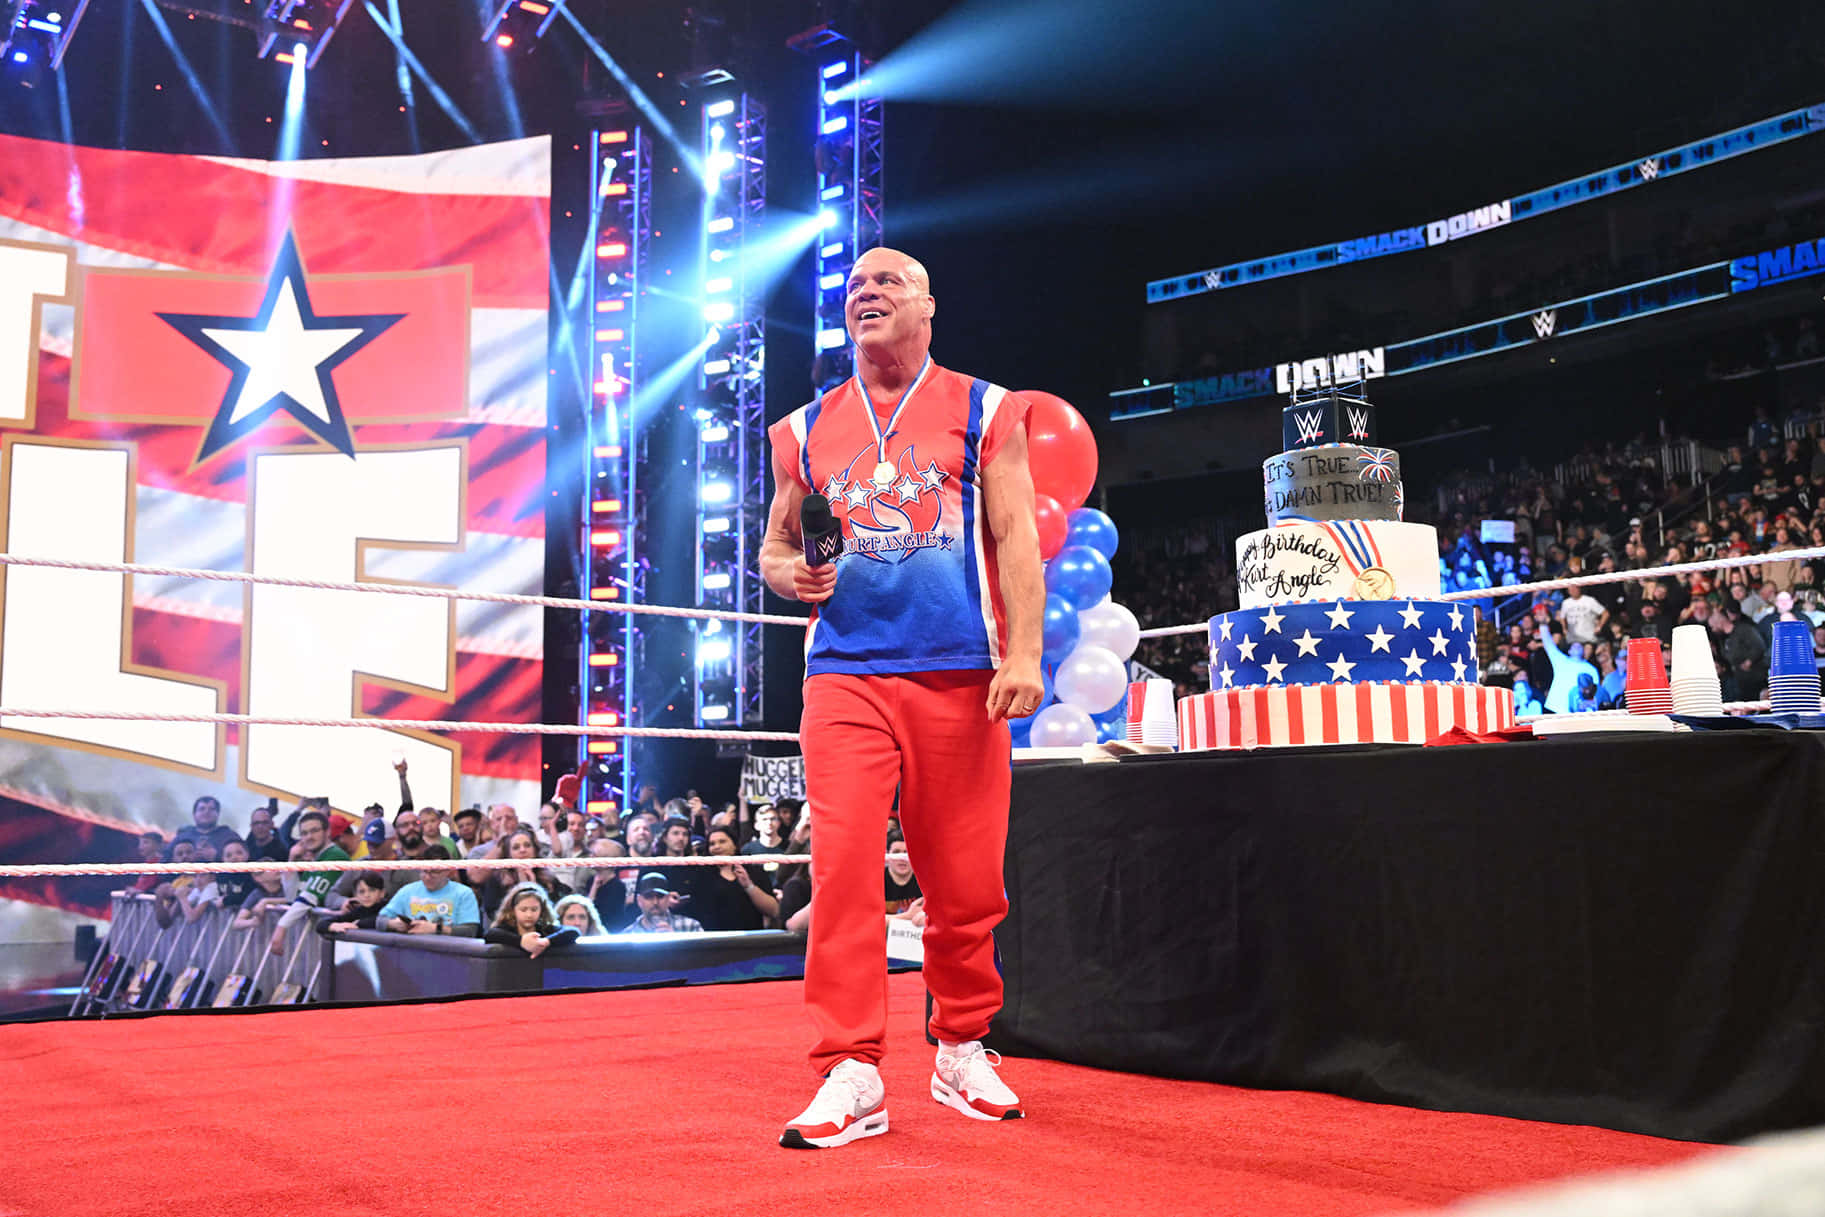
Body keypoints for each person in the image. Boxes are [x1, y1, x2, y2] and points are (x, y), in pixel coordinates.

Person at [760, 247, 1041, 1146]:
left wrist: (1024, 652)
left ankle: (960, 1044)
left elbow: (1015, 533)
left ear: (927, 305)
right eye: (854, 287)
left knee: (965, 881)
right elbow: (774, 546)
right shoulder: (803, 427)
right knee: (841, 867)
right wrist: (788, 575)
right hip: (845, 671)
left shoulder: (987, 407)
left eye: (887, 282)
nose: (865, 292)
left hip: (960, 670)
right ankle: (849, 1065)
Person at [376, 846, 482, 937]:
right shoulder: (407, 891)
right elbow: (379, 921)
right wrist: (393, 924)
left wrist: (435, 928)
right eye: (424, 871)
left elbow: (470, 931)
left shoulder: (464, 893)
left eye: (434, 872)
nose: (427, 877)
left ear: (448, 871)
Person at [690, 825, 779, 931]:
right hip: (714, 937)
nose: (717, 846)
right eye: (712, 844)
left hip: (751, 937)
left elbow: (774, 911)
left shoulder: (754, 871)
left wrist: (749, 886)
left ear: (734, 845)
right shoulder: (701, 875)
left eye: (722, 841)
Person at [484, 883, 580, 958]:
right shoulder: (506, 929)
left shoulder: (545, 929)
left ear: (542, 910)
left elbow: (573, 931)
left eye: (534, 909)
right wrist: (521, 941)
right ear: (513, 910)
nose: (529, 915)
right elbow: (491, 934)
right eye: (523, 910)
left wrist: (546, 942)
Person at [620, 872, 705, 935]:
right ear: (639, 900)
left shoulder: (691, 927)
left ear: (668, 898)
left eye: (660, 896)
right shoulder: (627, 935)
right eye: (649, 897)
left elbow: (704, 954)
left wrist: (676, 942)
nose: (655, 902)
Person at [172, 796, 241, 858]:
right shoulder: (182, 837)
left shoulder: (230, 836)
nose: (206, 812)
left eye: (211, 809)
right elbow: (167, 859)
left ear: (218, 814)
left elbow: (243, 861)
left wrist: (217, 856)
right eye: (202, 809)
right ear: (194, 814)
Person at [322, 873, 389, 935]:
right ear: (356, 895)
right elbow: (322, 924)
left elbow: (379, 920)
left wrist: (359, 923)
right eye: (361, 891)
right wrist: (333, 926)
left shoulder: (388, 908)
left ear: (382, 893)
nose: (366, 895)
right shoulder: (358, 911)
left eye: (372, 890)